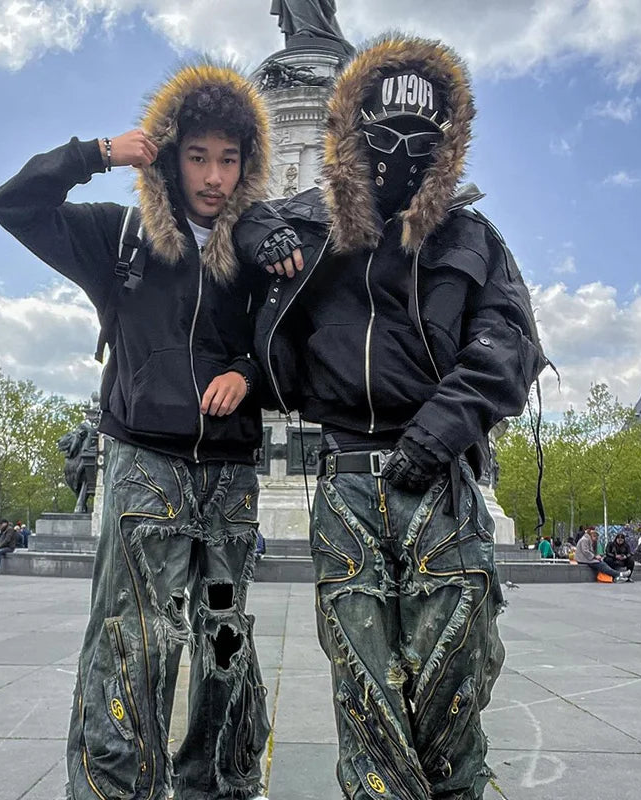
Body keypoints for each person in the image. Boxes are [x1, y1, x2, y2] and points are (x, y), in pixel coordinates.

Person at [237, 33, 546, 800]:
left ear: (446, 142)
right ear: (353, 132)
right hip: (345, 483)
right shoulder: (313, 227)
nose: (401, 152)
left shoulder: (471, 238)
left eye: (421, 136)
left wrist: (439, 431)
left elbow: (509, 346)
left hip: (438, 483)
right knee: (364, 692)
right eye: (383, 133)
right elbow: (228, 231)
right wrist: (254, 229)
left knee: (454, 688)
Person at [0, 63, 272, 800]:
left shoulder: (260, 252)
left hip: (232, 475)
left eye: (229, 159)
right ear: (171, 157)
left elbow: (290, 348)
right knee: (132, 642)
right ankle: (116, 790)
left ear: (246, 164)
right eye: (198, 156)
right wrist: (97, 154)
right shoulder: (119, 236)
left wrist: (247, 372)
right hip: (144, 466)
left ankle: (217, 784)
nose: (214, 177)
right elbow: (13, 205)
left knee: (224, 640)